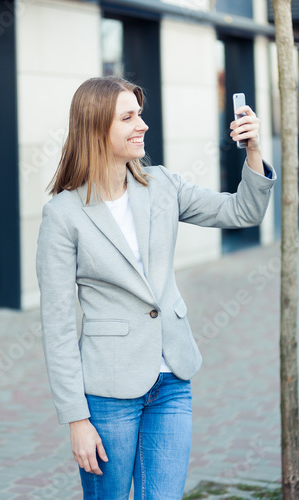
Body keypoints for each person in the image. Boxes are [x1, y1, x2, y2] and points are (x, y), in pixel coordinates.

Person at [36, 76, 276, 500]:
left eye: (140, 114)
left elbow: (243, 211)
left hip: (172, 382)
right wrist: (76, 419)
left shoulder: (163, 184)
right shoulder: (63, 214)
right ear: (96, 130)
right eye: (127, 117)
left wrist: (254, 150)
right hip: (108, 394)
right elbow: (56, 325)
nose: (142, 125)